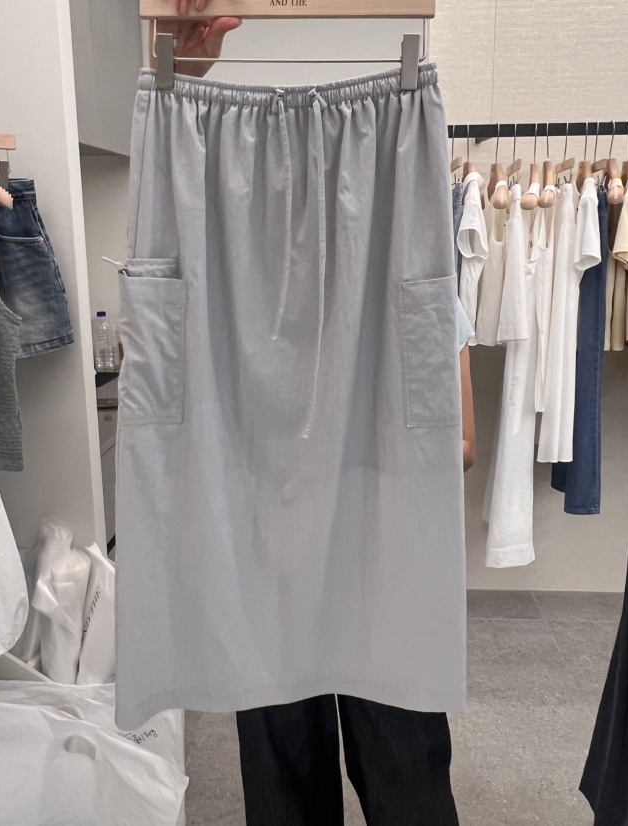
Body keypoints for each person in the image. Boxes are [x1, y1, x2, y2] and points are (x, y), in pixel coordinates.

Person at [164, 3, 476, 822]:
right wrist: (183, 75)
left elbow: (463, 441)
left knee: (402, 771)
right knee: (286, 774)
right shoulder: (246, 294)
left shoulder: (409, 271)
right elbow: (179, 206)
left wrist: (360, 439)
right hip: (276, 550)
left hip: (380, 551)